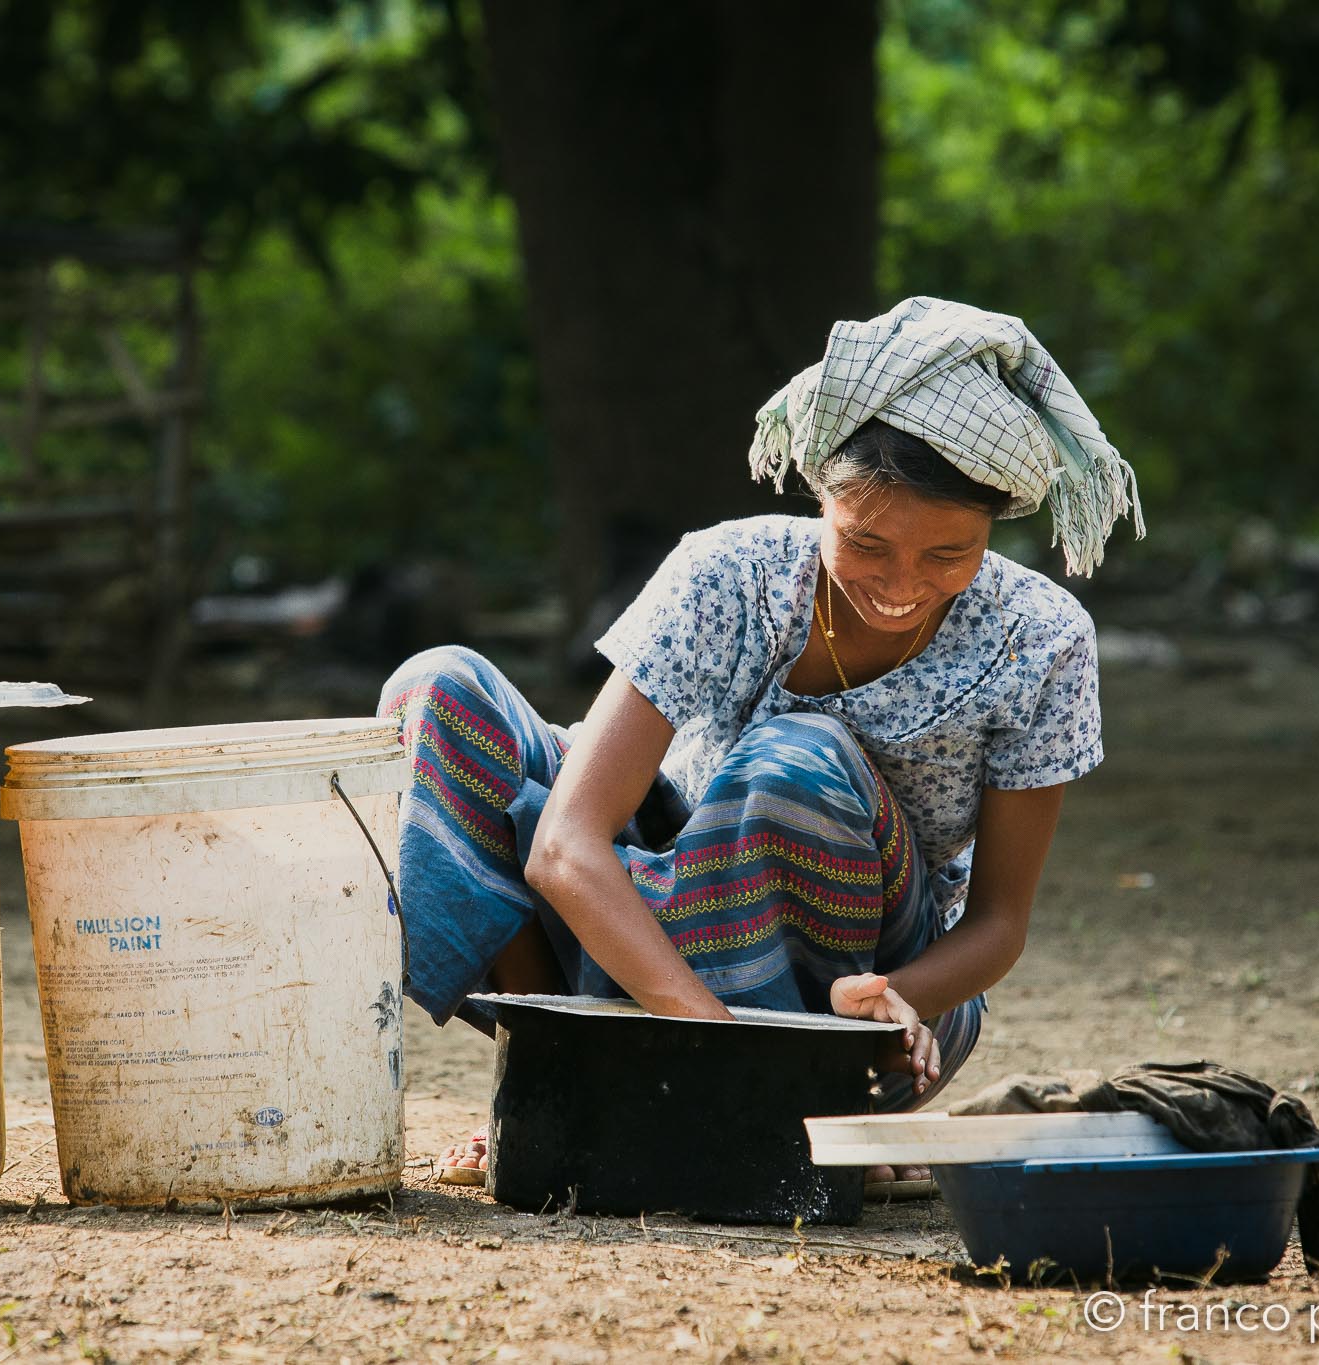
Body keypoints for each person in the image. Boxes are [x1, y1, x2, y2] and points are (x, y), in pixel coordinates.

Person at [377, 296, 1144, 1190]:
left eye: (949, 554)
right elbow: (565, 846)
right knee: (437, 690)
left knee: (799, 759)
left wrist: (890, 1001)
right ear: (821, 494)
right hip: (645, 939)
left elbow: (999, 925)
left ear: (995, 525)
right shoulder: (730, 574)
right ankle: (568, 1072)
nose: (901, 584)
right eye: (866, 541)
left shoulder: (1040, 639)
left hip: (857, 1000)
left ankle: (777, 1114)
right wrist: (717, 1049)